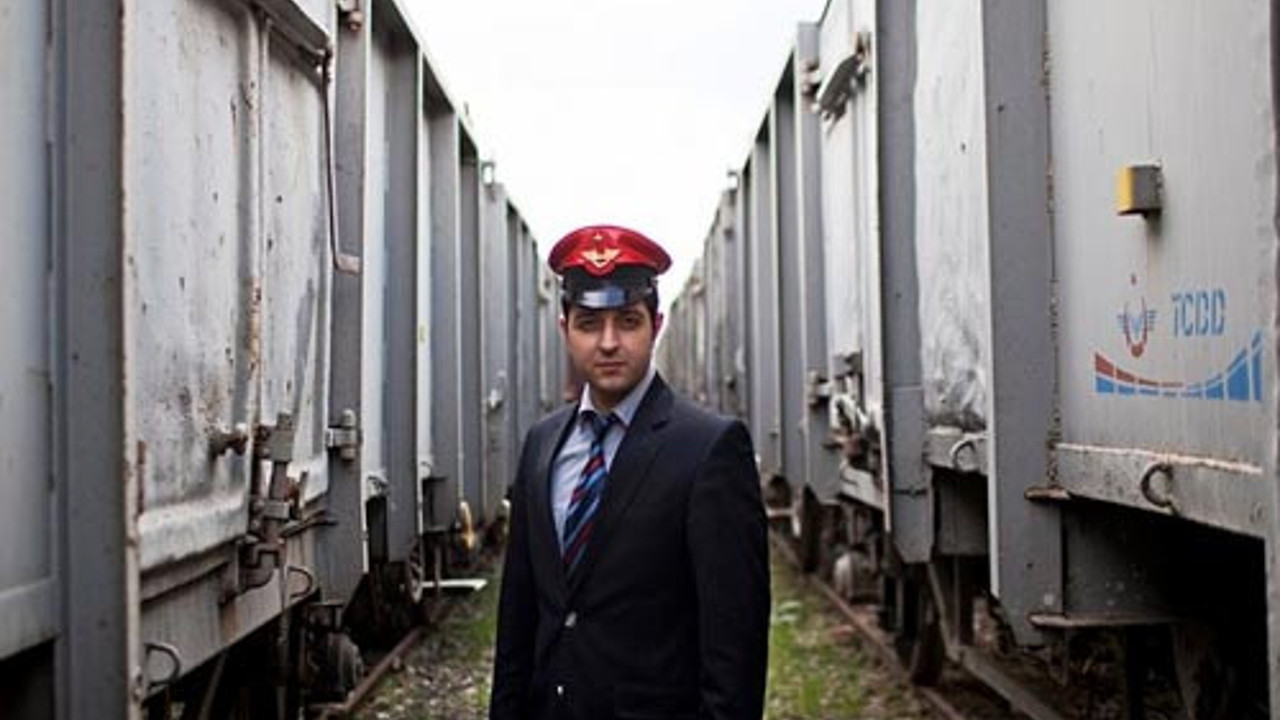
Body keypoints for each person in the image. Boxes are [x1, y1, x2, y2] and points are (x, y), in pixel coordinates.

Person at [489, 224, 770, 720]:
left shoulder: (709, 449)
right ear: (565, 328)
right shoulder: (542, 445)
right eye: (589, 323)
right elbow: (519, 618)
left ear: (655, 325)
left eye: (628, 321)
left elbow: (735, 649)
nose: (609, 342)